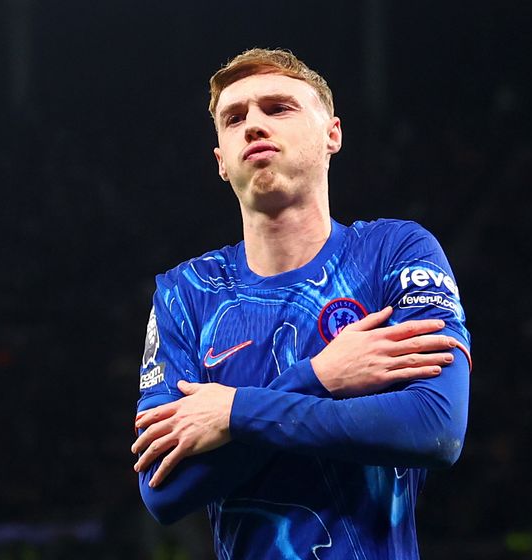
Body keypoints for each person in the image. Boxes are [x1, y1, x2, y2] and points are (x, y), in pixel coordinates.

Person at [131, 48, 472, 559]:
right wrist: (320, 377)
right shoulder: (186, 293)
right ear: (221, 159)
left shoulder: (393, 253)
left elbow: (434, 426)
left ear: (332, 134)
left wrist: (234, 412)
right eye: (234, 117)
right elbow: (163, 489)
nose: (253, 125)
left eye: (279, 107)